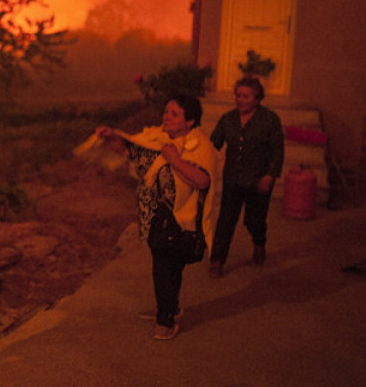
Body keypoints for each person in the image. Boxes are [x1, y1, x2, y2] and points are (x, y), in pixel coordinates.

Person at [95, 95, 216, 340]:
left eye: (174, 113)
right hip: (155, 214)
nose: (166, 117)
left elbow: (203, 180)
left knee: (165, 266)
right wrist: (112, 137)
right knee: (167, 265)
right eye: (166, 111)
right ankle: (169, 307)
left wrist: (175, 160)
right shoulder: (157, 139)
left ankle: (166, 319)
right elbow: (130, 151)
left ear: (190, 121)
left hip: (180, 217)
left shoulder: (200, 146)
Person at [208, 77, 284, 278]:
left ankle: (259, 243)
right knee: (226, 220)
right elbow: (213, 145)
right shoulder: (227, 119)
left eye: (246, 96)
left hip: (258, 180)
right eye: (238, 95)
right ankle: (217, 260)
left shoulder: (269, 120)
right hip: (233, 178)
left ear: (257, 99)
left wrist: (269, 175)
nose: (240, 100)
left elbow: (277, 151)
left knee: (254, 220)